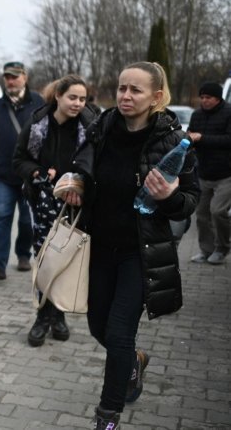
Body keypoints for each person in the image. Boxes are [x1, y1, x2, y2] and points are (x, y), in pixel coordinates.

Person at [61, 62, 199, 429]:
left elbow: (189, 201)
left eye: (135, 90)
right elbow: (81, 168)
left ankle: (108, 416)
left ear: (156, 96)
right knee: (97, 327)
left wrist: (170, 195)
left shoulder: (172, 140)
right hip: (99, 247)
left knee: (119, 332)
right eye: (122, 88)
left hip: (141, 252)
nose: (125, 95)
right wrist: (74, 184)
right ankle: (134, 361)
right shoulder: (101, 128)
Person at [13, 74, 96, 347]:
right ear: (58, 96)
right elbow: (19, 159)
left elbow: (95, 161)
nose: (78, 104)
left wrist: (78, 180)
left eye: (82, 99)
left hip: (76, 203)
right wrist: (36, 171)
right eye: (72, 97)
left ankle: (58, 314)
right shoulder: (38, 123)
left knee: (67, 256)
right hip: (43, 201)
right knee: (45, 256)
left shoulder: (90, 125)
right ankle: (42, 316)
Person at [0, 61, 45, 280]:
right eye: (7, 77)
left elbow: (47, 134)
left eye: (15, 76)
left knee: (26, 220)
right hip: (3, 175)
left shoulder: (38, 101)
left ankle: (23, 254)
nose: (11, 81)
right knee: (3, 216)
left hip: (29, 174)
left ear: (25, 77)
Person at [186, 81, 231, 265]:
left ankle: (222, 248)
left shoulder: (229, 113)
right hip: (203, 173)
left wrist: (202, 138)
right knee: (202, 215)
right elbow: (191, 137)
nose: (204, 101)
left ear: (218, 98)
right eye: (202, 97)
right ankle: (206, 250)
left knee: (218, 211)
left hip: (226, 174)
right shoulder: (196, 115)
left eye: (208, 98)